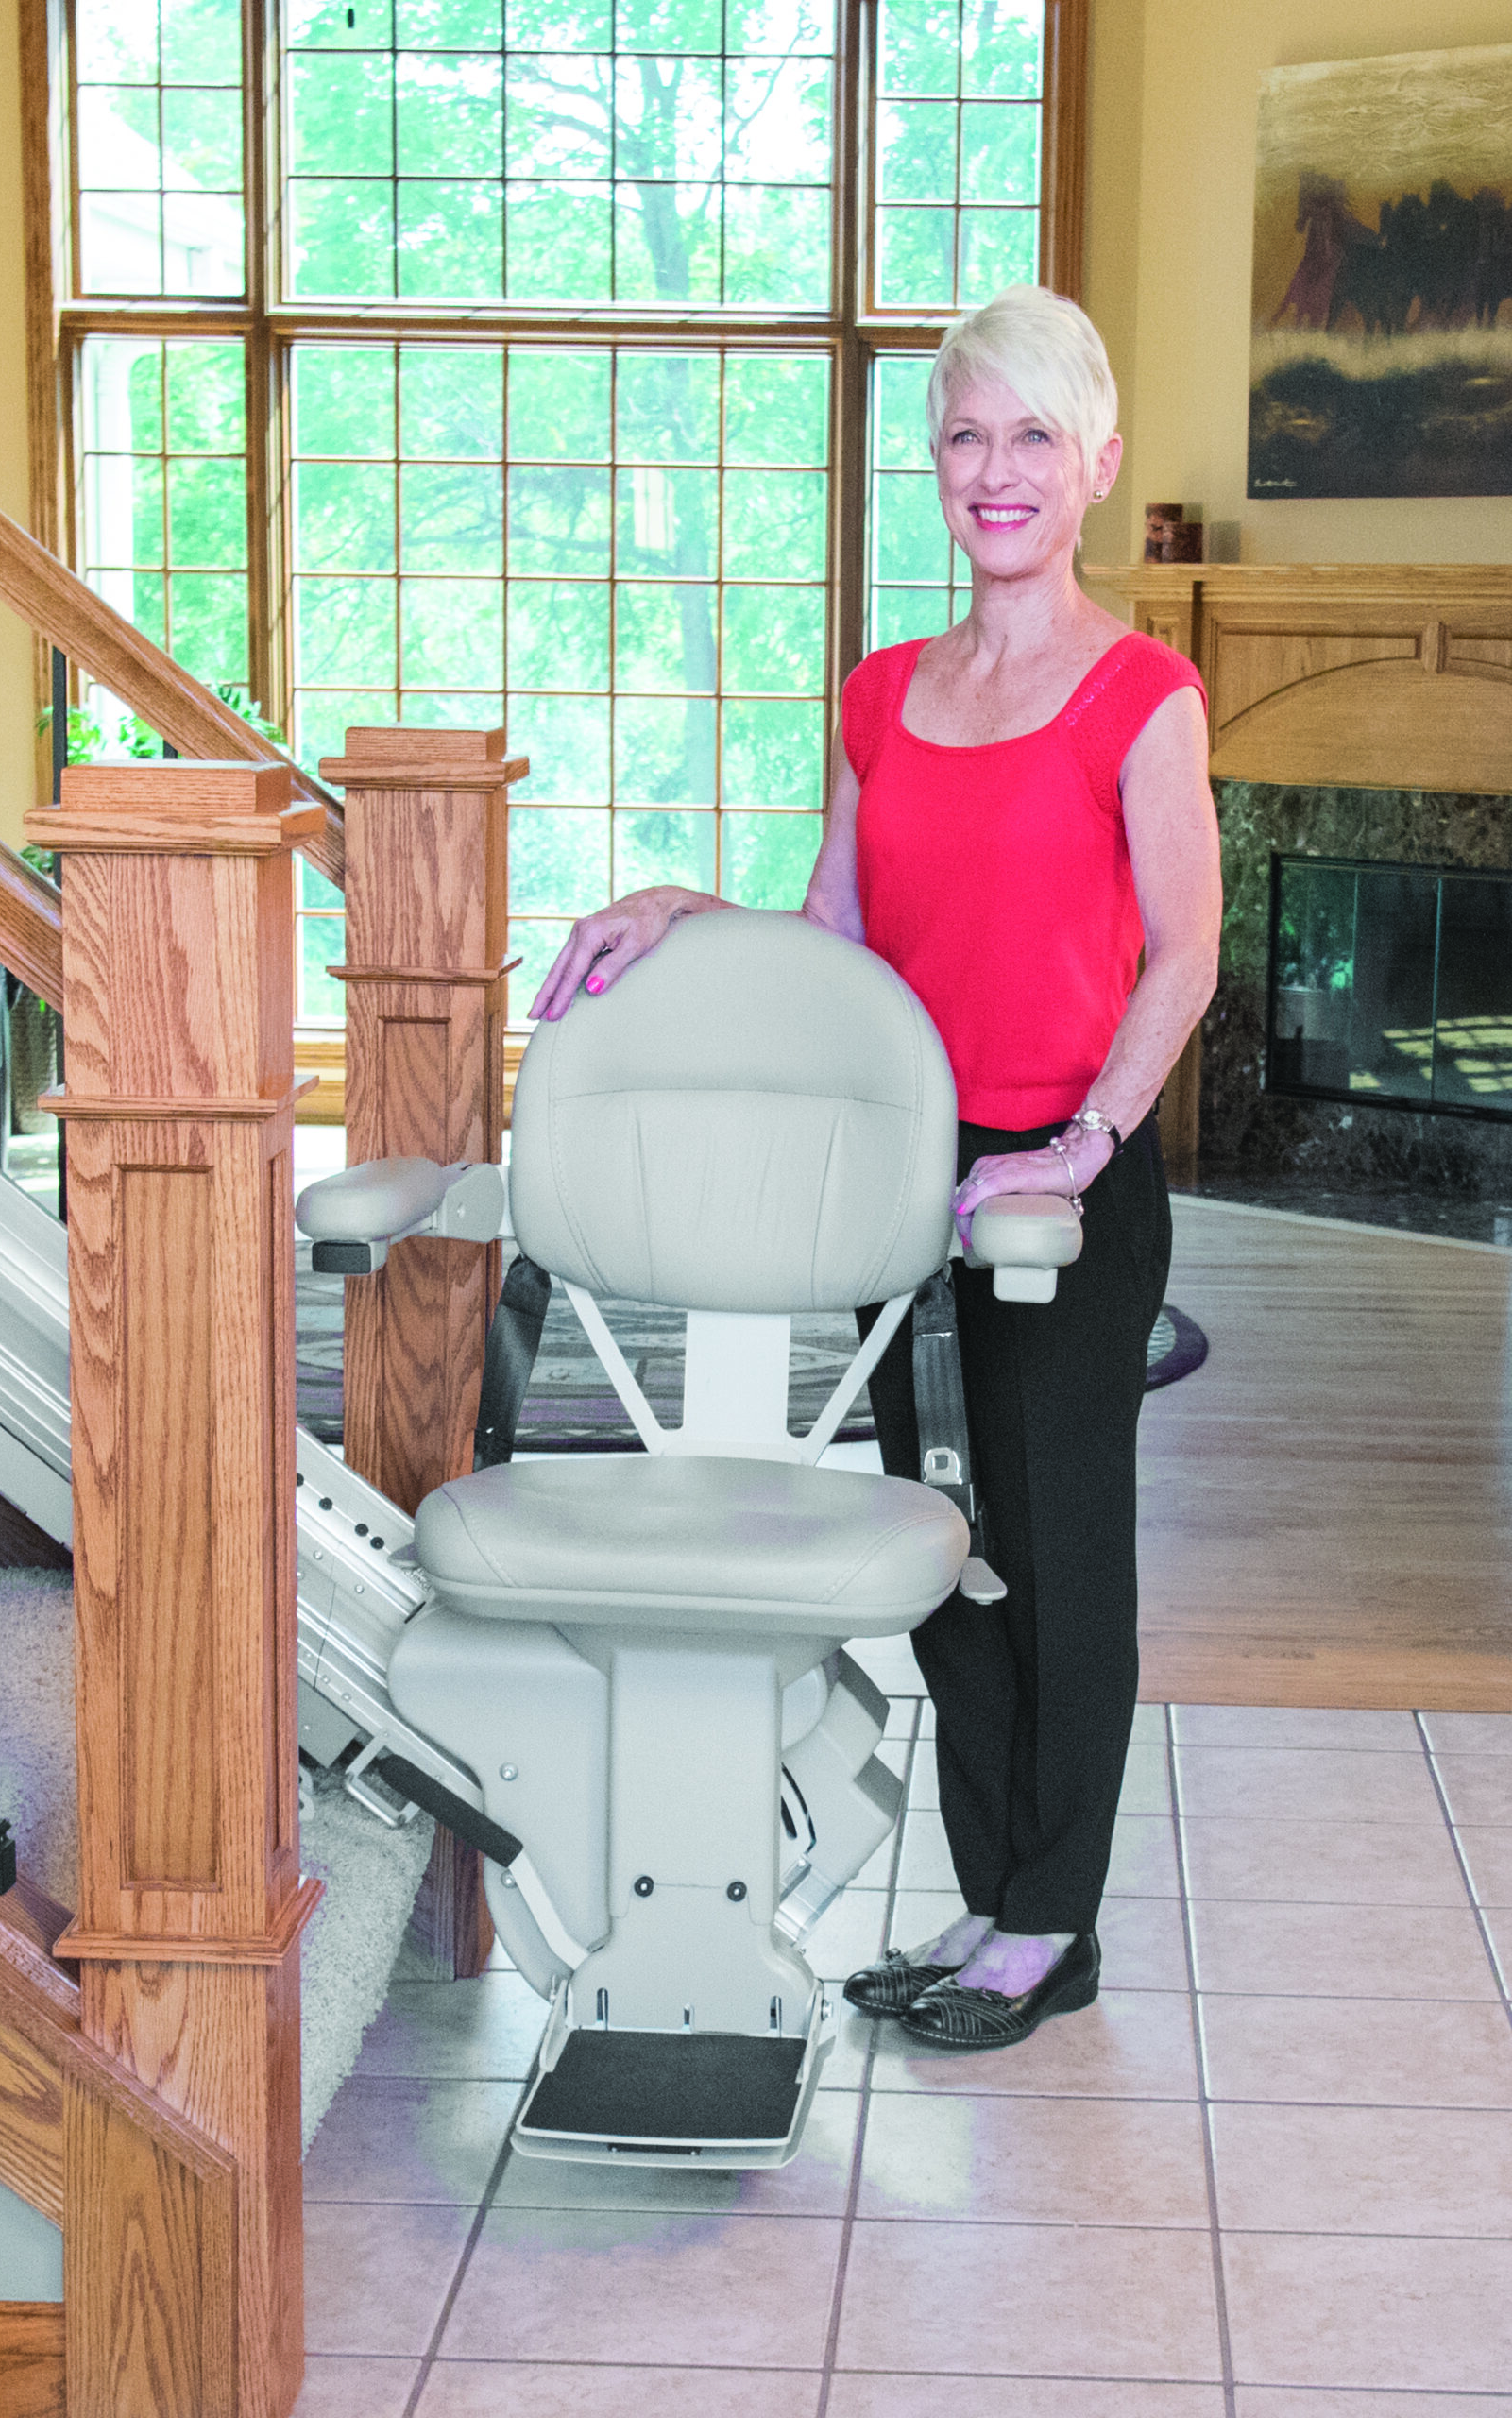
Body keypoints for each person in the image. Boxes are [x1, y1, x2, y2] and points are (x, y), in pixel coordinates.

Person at [530, 284, 1221, 2053]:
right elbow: (840, 936)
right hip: (900, 1175)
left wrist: (1075, 1149)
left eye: (1033, 439)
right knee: (939, 1550)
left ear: (1095, 468)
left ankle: (1047, 1925)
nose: (996, 472)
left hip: (1057, 1198)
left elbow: (1184, 959)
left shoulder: (1142, 697)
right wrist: (695, 909)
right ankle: (992, 1898)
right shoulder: (885, 694)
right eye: (965, 437)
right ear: (937, 466)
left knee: (1058, 1557)